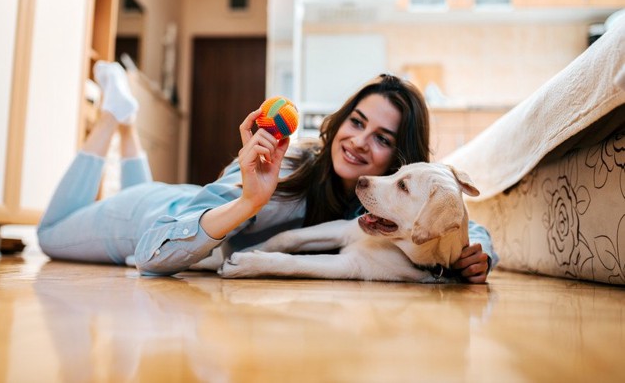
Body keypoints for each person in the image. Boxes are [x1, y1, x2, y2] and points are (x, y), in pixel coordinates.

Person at [38, 62, 498, 283]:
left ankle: (127, 121)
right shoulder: (288, 166)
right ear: (340, 122)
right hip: (147, 219)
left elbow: (462, 222)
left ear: (401, 161)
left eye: (382, 138)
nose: (359, 140)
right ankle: (111, 119)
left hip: (170, 200)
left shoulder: (380, 202)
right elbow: (151, 251)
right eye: (357, 123)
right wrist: (250, 201)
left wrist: (480, 256)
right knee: (50, 234)